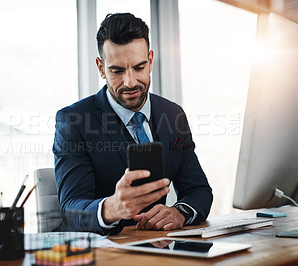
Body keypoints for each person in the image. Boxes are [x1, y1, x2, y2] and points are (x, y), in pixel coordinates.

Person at [53, 13, 212, 235]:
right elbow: (71, 209)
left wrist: (180, 212)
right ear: (101, 68)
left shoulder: (173, 114)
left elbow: (199, 190)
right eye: (117, 71)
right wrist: (112, 208)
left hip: (160, 247)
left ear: (150, 61)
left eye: (139, 67)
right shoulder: (74, 121)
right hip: (104, 250)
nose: (130, 82)